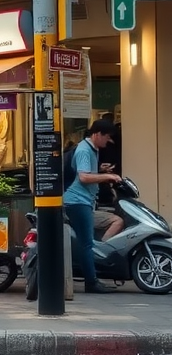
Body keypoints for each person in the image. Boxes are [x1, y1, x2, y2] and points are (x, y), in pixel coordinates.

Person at [64, 118, 122, 293]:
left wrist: (101, 170)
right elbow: (84, 177)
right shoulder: (83, 150)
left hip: (85, 200)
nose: (108, 141)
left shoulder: (92, 148)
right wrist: (108, 177)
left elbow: (87, 172)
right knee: (86, 243)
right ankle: (91, 282)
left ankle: (93, 277)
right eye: (106, 137)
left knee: (86, 241)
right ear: (97, 134)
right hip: (76, 201)